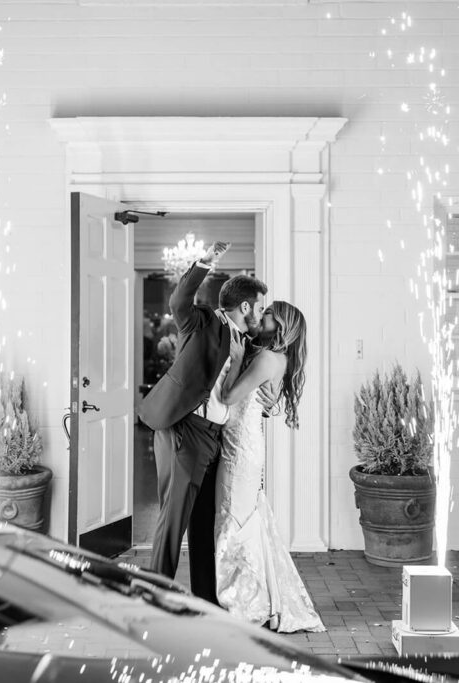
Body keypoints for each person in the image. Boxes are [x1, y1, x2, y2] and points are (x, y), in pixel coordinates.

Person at [137, 240, 274, 604]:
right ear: (245, 306)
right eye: (259, 308)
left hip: (215, 438)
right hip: (185, 430)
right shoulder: (202, 323)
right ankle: (152, 599)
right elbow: (178, 302)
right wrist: (204, 263)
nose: (262, 314)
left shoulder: (248, 342)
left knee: (202, 525)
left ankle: (204, 600)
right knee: (173, 519)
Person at [214, 301, 325, 632]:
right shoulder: (277, 358)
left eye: (267, 315)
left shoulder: (265, 359)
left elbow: (230, 396)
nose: (260, 316)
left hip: (241, 450)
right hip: (244, 443)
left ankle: (245, 602)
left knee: (233, 520)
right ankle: (252, 597)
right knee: (243, 518)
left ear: (280, 325)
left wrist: (234, 360)